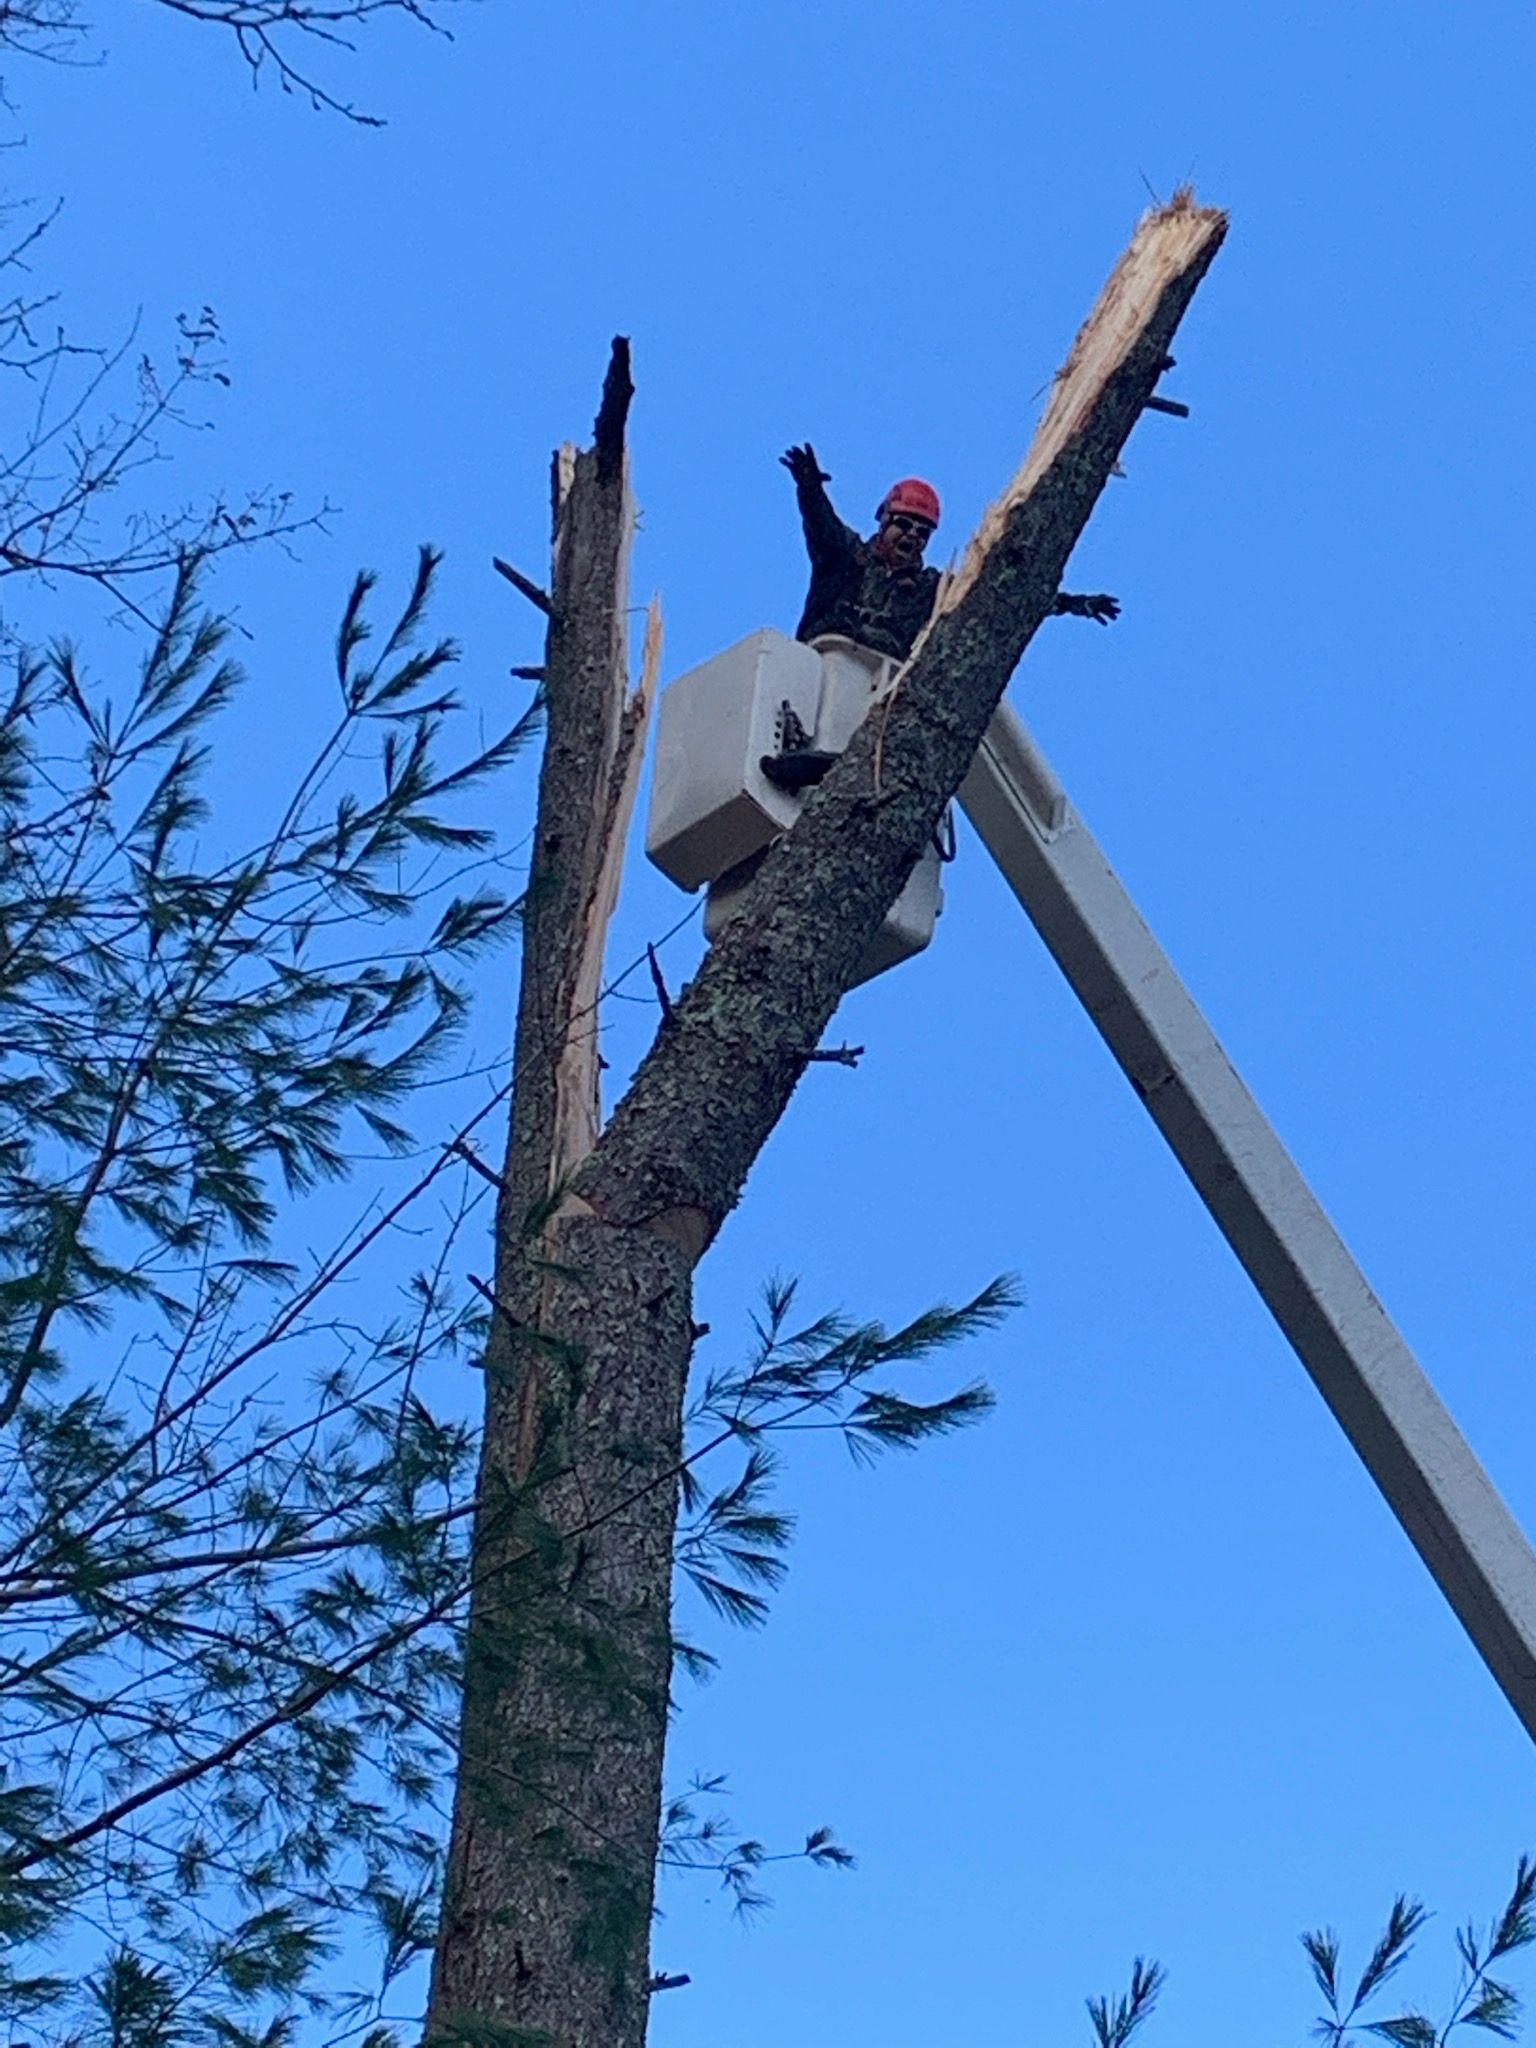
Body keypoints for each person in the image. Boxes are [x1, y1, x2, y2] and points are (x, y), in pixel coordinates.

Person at [780, 442, 1120, 662]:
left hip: (876, 681)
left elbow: (1000, 597)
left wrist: (1070, 603)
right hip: (821, 662)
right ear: (883, 519)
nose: (912, 536)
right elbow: (822, 524)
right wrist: (809, 490)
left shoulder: (933, 590)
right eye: (904, 523)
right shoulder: (845, 557)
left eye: (922, 531)